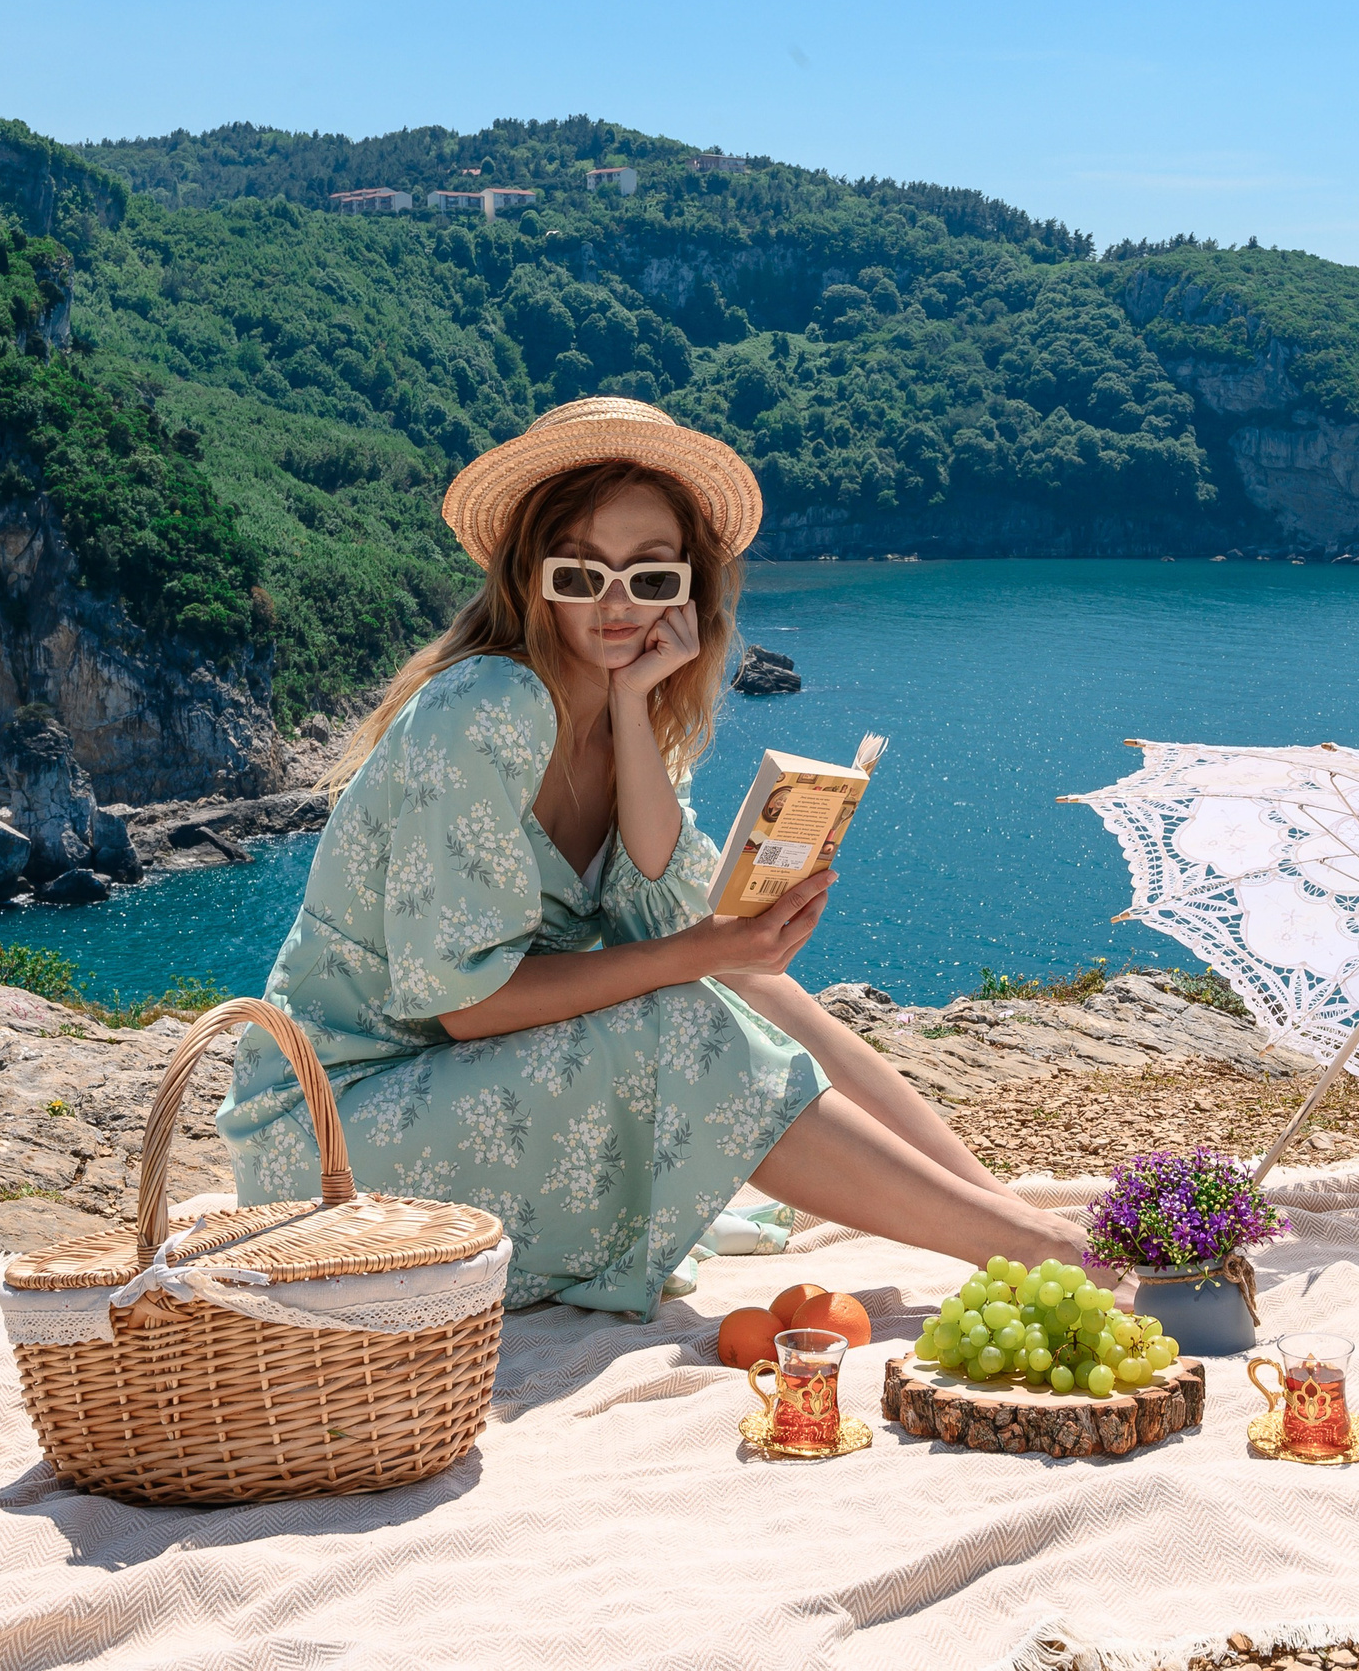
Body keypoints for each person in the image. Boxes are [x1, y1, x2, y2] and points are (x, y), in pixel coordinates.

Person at [217, 397, 1094, 1315]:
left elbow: (715, 954)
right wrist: (707, 952)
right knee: (682, 1013)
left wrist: (636, 708)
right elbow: (473, 1008)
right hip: (331, 1145)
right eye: (581, 573)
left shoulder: (630, 724)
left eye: (649, 579)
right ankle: (1036, 1250)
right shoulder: (483, 706)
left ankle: (1012, 1230)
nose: (614, 606)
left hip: (449, 1101)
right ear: (532, 576)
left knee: (724, 990)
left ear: (688, 593)